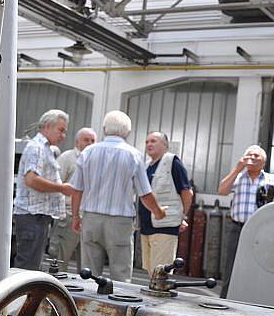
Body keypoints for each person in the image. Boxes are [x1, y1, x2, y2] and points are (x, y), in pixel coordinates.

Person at [70, 110, 166, 282]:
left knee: (89, 273)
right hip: (120, 222)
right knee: (120, 274)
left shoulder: (88, 152)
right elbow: (145, 194)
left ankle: (87, 307)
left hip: (91, 218)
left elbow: (77, 189)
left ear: (105, 129)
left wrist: (76, 216)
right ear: (127, 131)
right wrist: (158, 212)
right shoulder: (133, 155)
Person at [13, 109, 72, 271]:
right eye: (61, 130)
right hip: (32, 216)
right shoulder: (36, 148)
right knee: (27, 267)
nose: (63, 136)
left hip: (38, 217)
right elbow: (31, 179)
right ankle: (21, 296)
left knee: (32, 265)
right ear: (47, 126)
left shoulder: (45, 149)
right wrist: (61, 188)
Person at [218, 145, 274, 298]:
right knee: (231, 265)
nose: (251, 158)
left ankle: (256, 299)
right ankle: (226, 299)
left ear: (264, 162)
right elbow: (222, 191)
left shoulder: (272, 180)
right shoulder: (238, 177)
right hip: (237, 227)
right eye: (248, 155)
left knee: (260, 265)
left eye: (256, 156)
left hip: (262, 231)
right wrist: (237, 169)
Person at [138, 131, 193, 276]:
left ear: (165, 145)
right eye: (147, 142)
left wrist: (182, 217)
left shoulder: (172, 162)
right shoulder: (146, 166)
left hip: (164, 227)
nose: (149, 144)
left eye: (154, 141)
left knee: (161, 273)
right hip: (146, 227)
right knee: (151, 272)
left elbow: (187, 193)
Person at [49, 126, 97, 271]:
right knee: (60, 259)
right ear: (77, 142)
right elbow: (55, 184)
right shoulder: (67, 158)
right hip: (68, 216)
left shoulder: (96, 161)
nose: (89, 143)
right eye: (86, 140)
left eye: (93, 140)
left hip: (89, 216)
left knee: (88, 265)